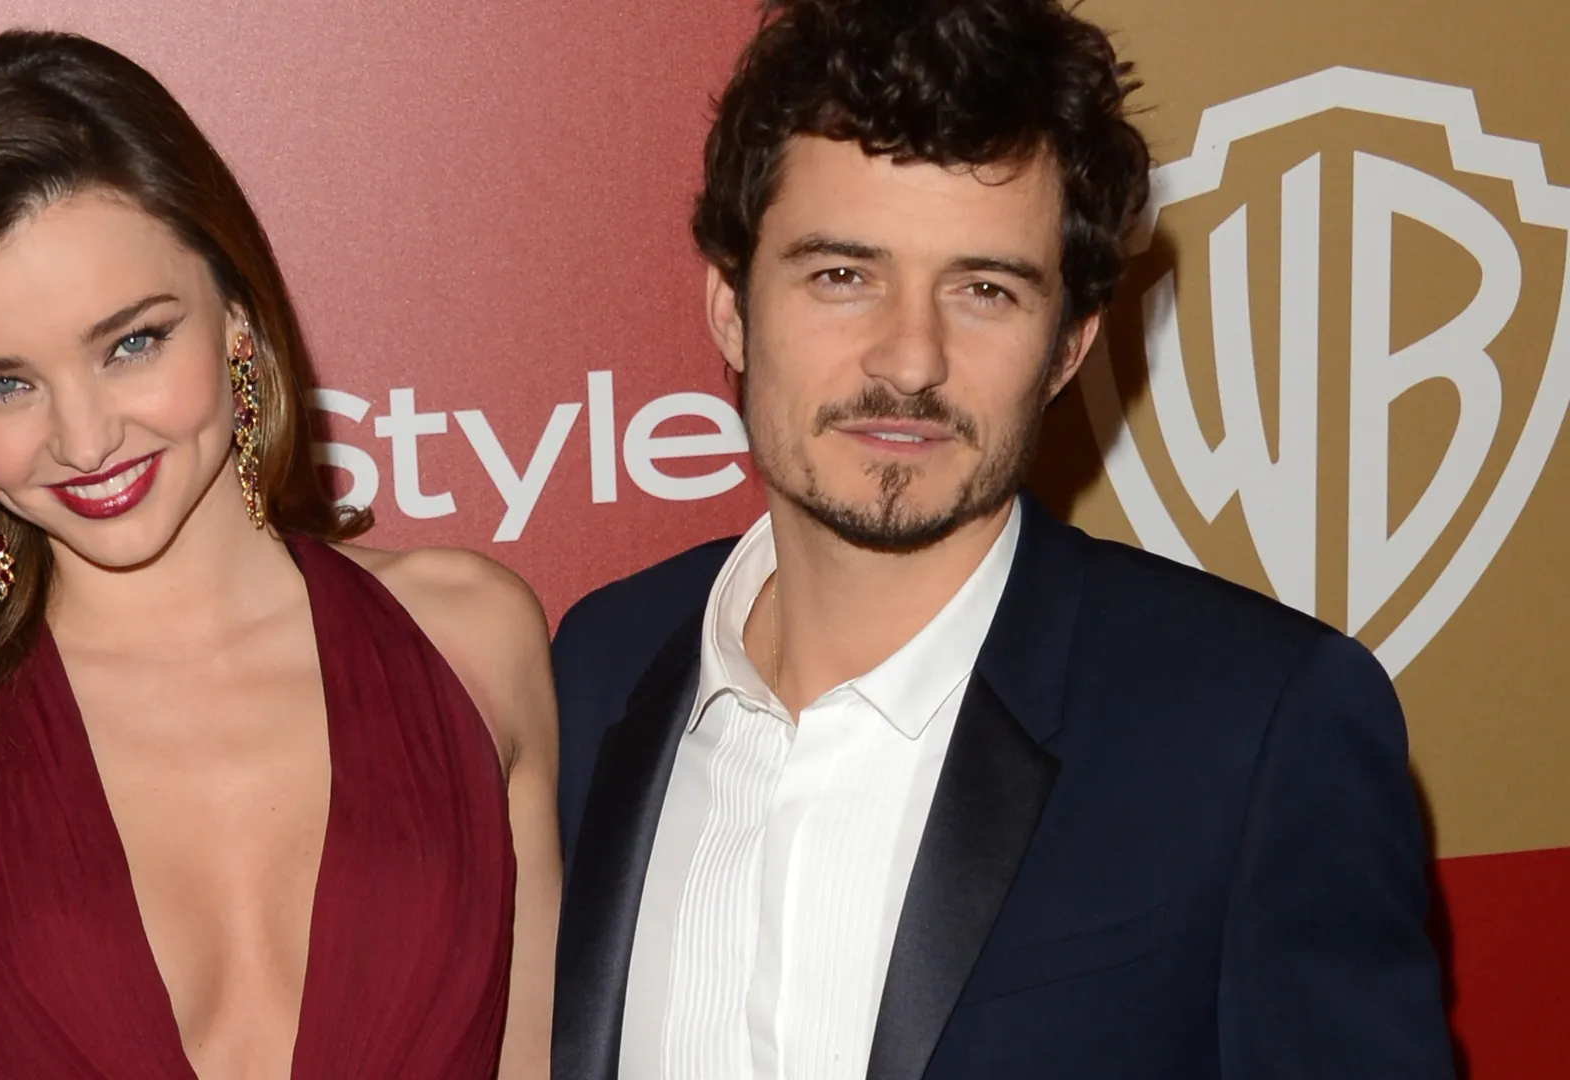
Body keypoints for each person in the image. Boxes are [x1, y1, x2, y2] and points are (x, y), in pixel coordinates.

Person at [550, 1, 1455, 1077]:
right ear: (731, 307)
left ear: (1068, 347)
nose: (910, 359)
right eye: (843, 275)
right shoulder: (597, 672)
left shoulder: (1256, 730)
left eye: (984, 290)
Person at [0, 30, 559, 1080]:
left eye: (131, 342)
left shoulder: (472, 643)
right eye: (3, 384)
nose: (86, 440)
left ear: (234, 312)